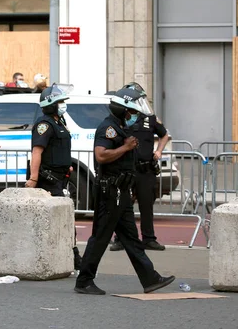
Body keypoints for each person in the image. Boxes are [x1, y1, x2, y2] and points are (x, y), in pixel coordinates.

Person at [74, 87, 175, 295]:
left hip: (122, 191)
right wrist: (125, 148)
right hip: (110, 192)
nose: (134, 116)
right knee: (100, 237)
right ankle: (84, 281)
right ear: (123, 110)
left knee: (131, 238)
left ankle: (150, 278)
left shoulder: (121, 127)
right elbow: (101, 156)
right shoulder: (108, 128)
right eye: (132, 112)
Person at [25, 83, 83, 270]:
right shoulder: (44, 125)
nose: (63, 105)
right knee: (57, 219)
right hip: (47, 180)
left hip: (61, 177)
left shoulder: (59, 122)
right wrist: (33, 179)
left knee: (64, 217)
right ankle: (72, 257)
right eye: (60, 102)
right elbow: (37, 152)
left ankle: (70, 255)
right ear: (51, 105)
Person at [110, 82, 169, 252]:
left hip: (145, 169)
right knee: (123, 205)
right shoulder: (122, 119)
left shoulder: (149, 118)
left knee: (146, 205)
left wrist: (159, 151)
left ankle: (149, 239)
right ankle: (120, 239)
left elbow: (164, 135)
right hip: (126, 169)